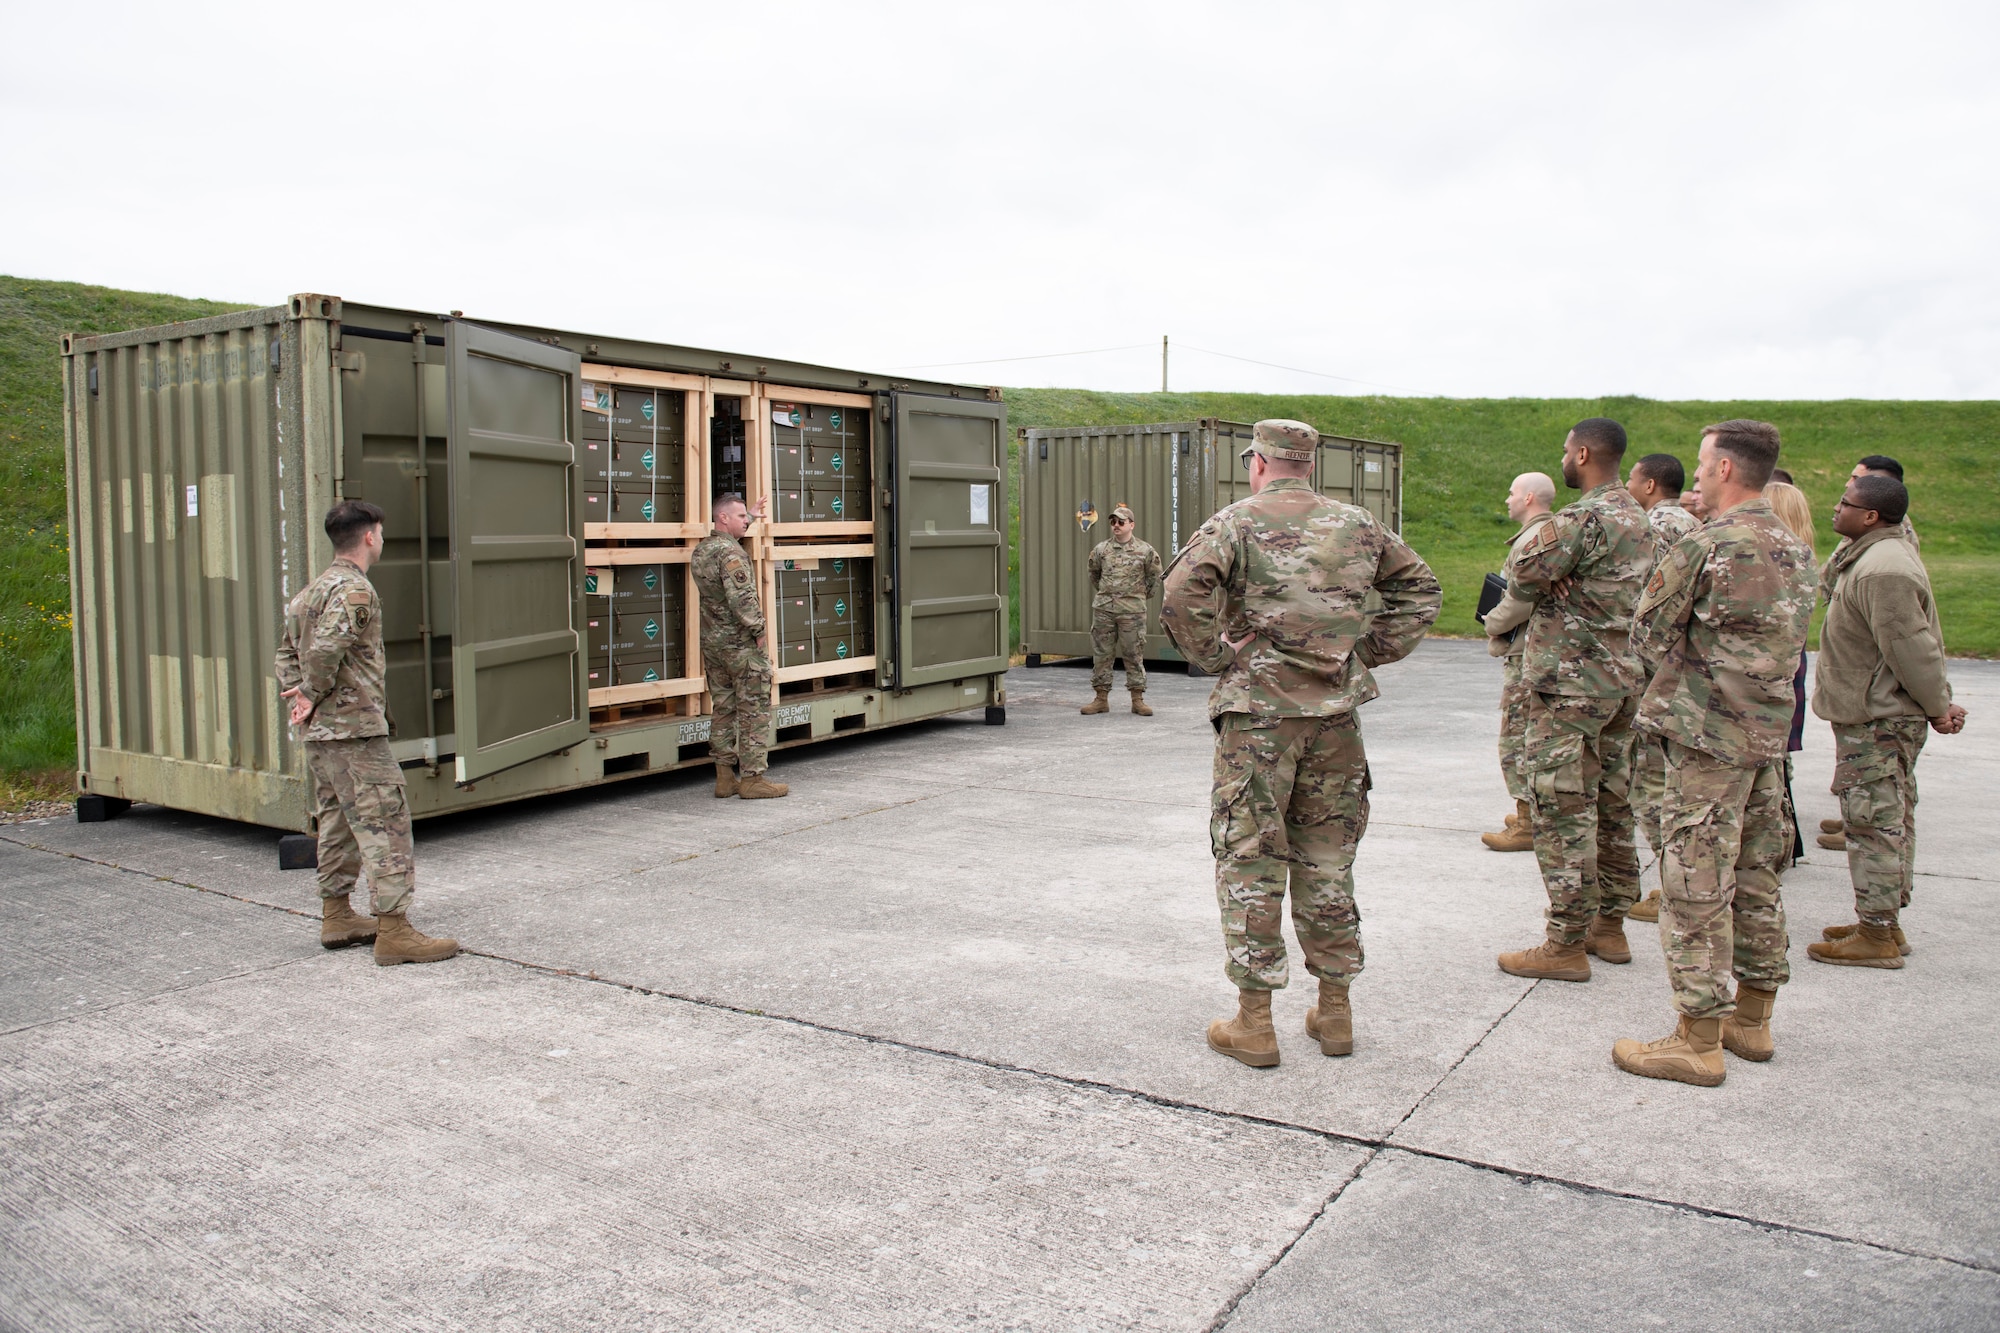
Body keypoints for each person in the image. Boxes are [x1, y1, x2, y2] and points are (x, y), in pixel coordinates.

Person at [1163, 419, 1440, 1067]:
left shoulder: (1232, 523)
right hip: (1336, 719)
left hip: (1258, 719)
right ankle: (1335, 1011)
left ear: (1258, 462)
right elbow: (1421, 589)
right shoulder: (1359, 525)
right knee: (1326, 857)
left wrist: (1217, 657)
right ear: (1306, 464)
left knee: (1250, 856)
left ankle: (1255, 1022)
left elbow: (1180, 591)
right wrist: (1361, 652)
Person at [1612, 420, 1817, 1085]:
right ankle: (1752, 1019)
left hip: (1704, 738)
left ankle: (1696, 1036)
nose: (1697, 474)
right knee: (1756, 870)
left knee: (1694, 880)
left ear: (1726, 468)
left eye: (1703, 464)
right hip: (1764, 738)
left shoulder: (1707, 544)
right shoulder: (1793, 546)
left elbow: (1647, 631)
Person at [1494, 418, 1655, 981]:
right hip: (1624, 680)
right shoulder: (1640, 516)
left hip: (1571, 684)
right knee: (1614, 805)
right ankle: (1608, 928)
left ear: (1583, 454)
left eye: (1566, 450)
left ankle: (1564, 943)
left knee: (1560, 807)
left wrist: (1549, 573)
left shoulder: (1581, 518)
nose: (1563, 458)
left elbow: (1522, 571)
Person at [276, 500, 458, 965]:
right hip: (353, 730)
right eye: (380, 531)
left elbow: (286, 655)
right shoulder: (356, 591)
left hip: (322, 735)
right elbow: (327, 648)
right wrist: (312, 694)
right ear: (371, 536)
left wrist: (299, 696)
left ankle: (336, 916)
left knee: (336, 822)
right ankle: (394, 931)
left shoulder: (308, 592)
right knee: (386, 824)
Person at [1806, 473, 1966, 967]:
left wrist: (1939, 705)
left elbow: (1912, 648)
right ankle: (1883, 922)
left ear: (1871, 516)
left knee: (1872, 821)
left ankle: (1876, 935)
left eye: (1845, 503)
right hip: (1871, 713)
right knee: (1885, 818)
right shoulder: (1871, 555)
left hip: (1879, 718)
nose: (1836, 509)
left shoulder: (1884, 570)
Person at [1623, 452, 1704, 923]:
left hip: (1660, 676)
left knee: (1650, 784)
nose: (1628, 486)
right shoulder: (1695, 523)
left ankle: (1673, 889)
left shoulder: (1655, 529)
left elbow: (1646, 601)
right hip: (1690, 674)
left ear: (1650, 485)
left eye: (1633, 479)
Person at [1478, 472, 1557, 852]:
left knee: (1517, 738)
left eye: (1511, 493)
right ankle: (1530, 813)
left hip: (1525, 652)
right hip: (1536, 650)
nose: (1507, 500)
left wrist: (1491, 622)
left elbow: (1519, 599)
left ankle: (1528, 822)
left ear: (1528, 498)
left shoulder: (1532, 538)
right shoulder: (1551, 533)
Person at [692, 493, 788, 799]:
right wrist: (759, 630)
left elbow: (719, 595)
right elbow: (742, 598)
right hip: (740, 646)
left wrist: (749, 513)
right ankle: (752, 779)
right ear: (723, 519)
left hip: (714, 644)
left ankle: (725, 778)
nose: (746, 522)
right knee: (754, 709)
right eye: (741, 518)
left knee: (723, 708)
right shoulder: (731, 554)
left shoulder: (703, 550)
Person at [1764, 481, 1817, 864]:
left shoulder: (1772, 561)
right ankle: (1789, 841)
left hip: (1767, 673)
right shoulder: (1803, 557)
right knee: (1779, 761)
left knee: (1772, 765)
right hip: (1789, 666)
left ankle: (1780, 844)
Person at [1081, 504, 1165, 717]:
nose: (1116, 526)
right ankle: (1101, 699)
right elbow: (1094, 574)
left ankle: (1137, 700)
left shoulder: (1145, 551)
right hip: (1104, 611)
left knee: (1133, 654)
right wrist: (1108, 595)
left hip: (1132, 612)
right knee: (1102, 655)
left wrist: (1136, 597)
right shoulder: (1101, 550)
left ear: (1131, 525)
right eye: (1113, 522)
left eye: (1121, 522)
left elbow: (1154, 578)